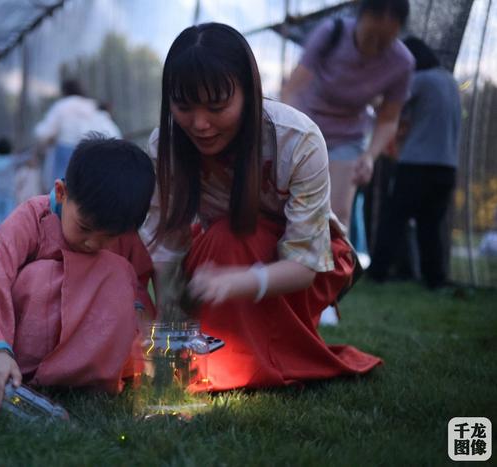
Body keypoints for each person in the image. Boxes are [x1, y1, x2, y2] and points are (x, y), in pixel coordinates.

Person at [140, 23, 381, 392]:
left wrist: (243, 281)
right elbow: (165, 249)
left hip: (304, 265)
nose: (200, 124)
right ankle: (243, 358)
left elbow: (304, 264)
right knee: (224, 238)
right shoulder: (166, 145)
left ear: (249, 93)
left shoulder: (296, 139)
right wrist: (170, 332)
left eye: (217, 107)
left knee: (233, 237)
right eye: (184, 107)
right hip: (223, 255)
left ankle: (250, 363)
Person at [0, 137, 156, 408]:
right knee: (40, 277)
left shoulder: (122, 230)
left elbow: (139, 295)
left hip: (90, 357)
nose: (93, 243)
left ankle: (87, 377)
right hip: (21, 353)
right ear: (61, 192)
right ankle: (12, 371)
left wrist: (149, 351)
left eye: (109, 237)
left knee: (121, 274)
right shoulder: (31, 218)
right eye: (84, 227)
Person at [281, 0, 414, 236]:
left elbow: (388, 119)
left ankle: (333, 270)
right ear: (361, 17)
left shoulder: (402, 63)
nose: (375, 46)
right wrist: (287, 134)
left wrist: (370, 156)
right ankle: (285, 265)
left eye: (385, 40)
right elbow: (293, 88)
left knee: (337, 213)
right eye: (371, 35)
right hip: (307, 128)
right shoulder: (331, 33)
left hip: (348, 137)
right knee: (292, 204)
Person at [367, 37, 462, 288]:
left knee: (393, 218)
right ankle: (435, 279)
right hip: (447, 166)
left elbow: (388, 107)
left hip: (417, 164)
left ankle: (377, 272)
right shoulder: (450, 81)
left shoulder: (421, 80)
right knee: (430, 225)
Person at [34, 79, 121, 191]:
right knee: (85, 189)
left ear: (65, 91)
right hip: (88, 150)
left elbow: (45, 132)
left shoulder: (62, 106)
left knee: (63, 189)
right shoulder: (91, 105)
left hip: (65, 150)